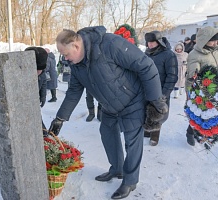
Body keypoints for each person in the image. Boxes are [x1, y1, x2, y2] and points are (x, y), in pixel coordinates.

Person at [47, 26, 168, 199]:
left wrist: (156, 99)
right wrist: (60, 118)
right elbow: (74, 91)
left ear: (75, 45)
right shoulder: (76, 64)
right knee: (107, 133)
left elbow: (146, 65)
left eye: (66, 54)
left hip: (133, 100)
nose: (65, 59)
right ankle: (117, 169)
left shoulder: (109, 44)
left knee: (132, 141)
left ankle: (130, 181)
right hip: (109, 105)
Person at [185, 26, 218, 146]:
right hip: (200, 90)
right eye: (213, 40)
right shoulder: (195, 54)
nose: (215, 42)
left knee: (213, 114)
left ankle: (210, 136)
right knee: (198, 112)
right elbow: (194, 73)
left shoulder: (215, 51)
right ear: (205, 39)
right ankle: (191, 132)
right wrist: (196, 75)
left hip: (215, 89)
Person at [144, 31, 178, 146]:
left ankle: (155, 136)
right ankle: (147, 131)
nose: (150, 45)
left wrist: (165, 93)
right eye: (148, 42)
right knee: (147, 111)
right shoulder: (147, 53)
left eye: (153, 42)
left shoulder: (169, 55)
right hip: (147, 89)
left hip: (161, 90)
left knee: (158, 114)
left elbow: (172, 76)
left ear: (159, 42)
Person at [25, 46, 48, 136]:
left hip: (35, 101)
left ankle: (44, 134)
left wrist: (43, 96)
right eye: (37, 69)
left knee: (38, 118)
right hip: (25, 103)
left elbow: (44, 83)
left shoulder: (42, 73)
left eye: (41, 70)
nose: (39, 72)